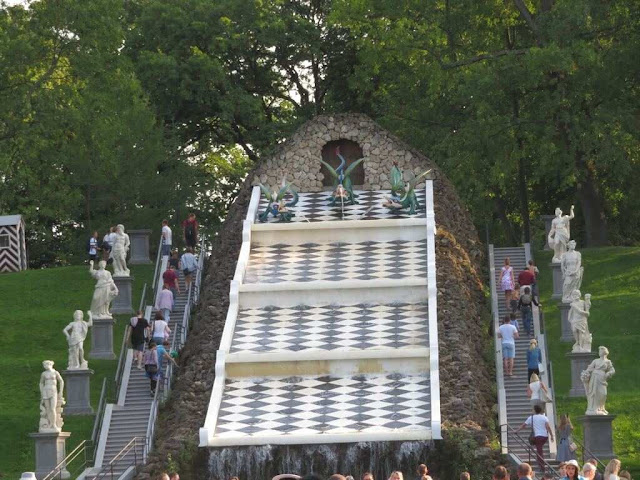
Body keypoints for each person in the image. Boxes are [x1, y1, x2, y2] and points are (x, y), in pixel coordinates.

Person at [515, 405, 554, 474]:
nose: (532, 410)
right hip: (544, 436)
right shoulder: (544, 417)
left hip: (538, 436)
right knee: (539, 450)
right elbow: (548, 427)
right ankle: (541, 465)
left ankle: (542, 468)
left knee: (539, 452)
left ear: (535, 410)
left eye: (533, 409)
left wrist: (517, 431)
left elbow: (524, 425)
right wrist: (551, 435)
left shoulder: (531, 418)